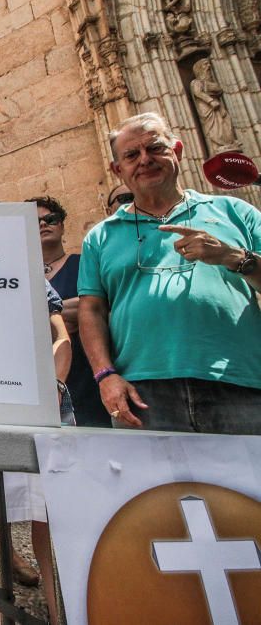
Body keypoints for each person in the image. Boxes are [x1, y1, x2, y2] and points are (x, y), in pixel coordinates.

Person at [78, 111, 261, 433]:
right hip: (141, 391)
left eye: (155, 148)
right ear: (118, 169)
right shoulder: (100, 236)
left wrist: (233, 257)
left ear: (176, 151)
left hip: (238, 381)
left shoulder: (234, 212)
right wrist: (106, 376)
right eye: (132, 155)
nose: (145, 160)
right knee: (154, 486)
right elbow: (91, 310)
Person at [0, 281, 72, 625]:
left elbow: (61, 337)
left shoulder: (33, 278)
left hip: (41, 401)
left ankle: (61, 613)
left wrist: (56, 385)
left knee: (52, 512)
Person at [29, 195, 110, 427]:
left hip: (86, 374)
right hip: (44, 381)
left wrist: (45, 314)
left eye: (50, 219)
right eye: (35, 222)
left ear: (62, 225)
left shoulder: (84, 264)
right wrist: (73, 309)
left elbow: (100, 308)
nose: (43, 224)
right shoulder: (21, 276)